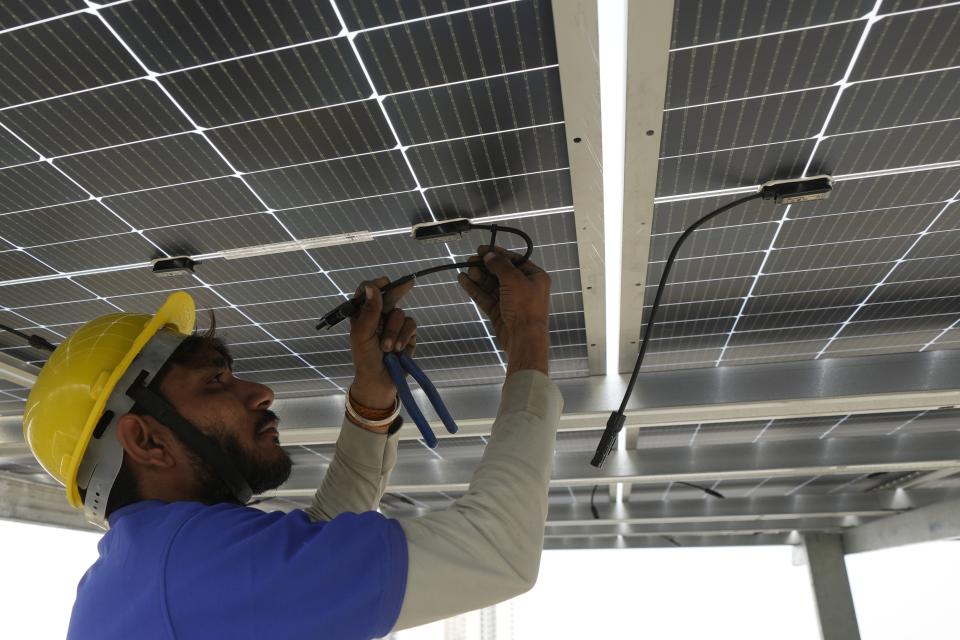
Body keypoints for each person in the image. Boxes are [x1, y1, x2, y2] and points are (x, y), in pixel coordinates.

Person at [22, 246, 563, 639]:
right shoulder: (187, 570)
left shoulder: (146, 573)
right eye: (216, 381)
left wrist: (373, 397)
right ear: (144, 439)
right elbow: (496, 551)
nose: (261, 391)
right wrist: (528, 338)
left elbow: (314, 552)